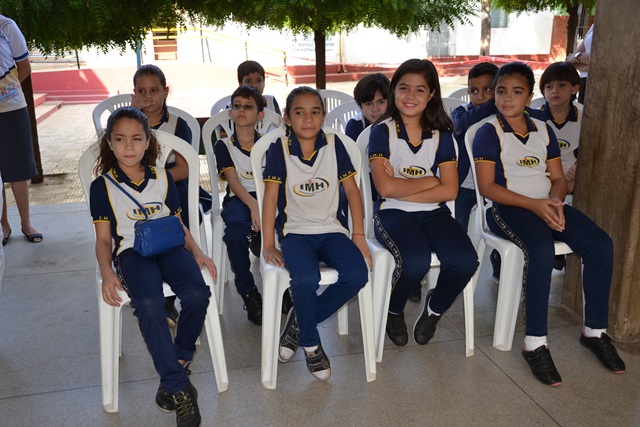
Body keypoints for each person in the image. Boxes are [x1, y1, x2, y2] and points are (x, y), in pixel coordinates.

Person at [472, 62, 625, 386]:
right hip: (506, 208)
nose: (507, 98)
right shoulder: (488, 132)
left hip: (545, 203)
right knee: (541, 250)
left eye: (516, 92)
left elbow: (558, 179)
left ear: (529, 97)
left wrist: (554, 203)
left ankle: (594, 331)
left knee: (601, 245)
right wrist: (535, 206)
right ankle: (535, 342)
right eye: (501, 91)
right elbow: (487, 188)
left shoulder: (543, 128)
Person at [90, 107, 215, 426]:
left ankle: (179, 360)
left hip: (170, 247)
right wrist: (107, 272)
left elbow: (178, 223)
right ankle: (179, 387)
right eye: (120, 139)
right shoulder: (102, 186)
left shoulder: (163, 178)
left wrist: (198, 251)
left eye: (136, 138)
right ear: (110, 143)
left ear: (147, 142)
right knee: (148, 304)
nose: (128, 146)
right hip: (132, 253)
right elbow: (103, 239)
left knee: (198, 293)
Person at [262, 86, 372, 381]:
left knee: (357, 274)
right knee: (305, 279)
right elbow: (270, 198)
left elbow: (353, 191)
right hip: (295, 233)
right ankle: (311, 344)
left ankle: (300, 322)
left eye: (315, 112)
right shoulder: (279, 149)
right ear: (287, 118)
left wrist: (358, 236)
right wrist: (268, 244)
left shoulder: (335, 145)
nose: (308, 119)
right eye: (299, 112)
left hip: (332, 230)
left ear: (323, 116)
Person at [368, 58, 478, 348]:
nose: (410, 96)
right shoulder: (382, 131)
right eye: (404, 88)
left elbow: (450, 191)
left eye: (420, 90)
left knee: (465, 261)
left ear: (431, 95)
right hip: (392, 213)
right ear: (393, 91)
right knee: (415, 262)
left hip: (433, 213)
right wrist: (431, 181)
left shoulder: (441, 135)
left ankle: (434, 309)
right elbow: (384, 188)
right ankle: (394, 309)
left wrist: (400, 187)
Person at [131, 64, 211, 327]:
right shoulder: (128, 122)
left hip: (171, 183)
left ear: (166, 92)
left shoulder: (178, 124)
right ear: (134, 93)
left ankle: (172, 293)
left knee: (181, 212)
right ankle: (140, 279)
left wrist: (156, 182)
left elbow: (186, 168)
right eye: (142, 91)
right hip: (133, 186)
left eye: (154, 90)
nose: (148, 96)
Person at [214, 85, 265, 325]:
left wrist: (264, 206)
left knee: (287, 225)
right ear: (230, 112)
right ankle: (248, 290)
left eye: (248, 106)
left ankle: (286, 287)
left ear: (260, 114)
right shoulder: (223, 145)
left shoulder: (270, 144)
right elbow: (233, 181)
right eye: (237, 106)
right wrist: (254, 206)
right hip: (239, 197)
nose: (241, 110)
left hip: (268, 196)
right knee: (234, 229)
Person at [0, 15, 41, 246]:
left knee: (18, 169)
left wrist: (7, 89)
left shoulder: (7, 26)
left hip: (12, 108)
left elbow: (24, 67)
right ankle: (3, 226)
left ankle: (26, 223)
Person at [539, 62, 582, 194]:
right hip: (543, 176)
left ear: (574, 88)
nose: (554, 91)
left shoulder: (586, 118)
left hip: (574, 178)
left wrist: (579, 170)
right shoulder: (534, 118)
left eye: (561, 85)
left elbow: (595, 153)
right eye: (549, 86)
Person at [345, 73, 390, 142]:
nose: (375, 109)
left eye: (381, 102)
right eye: (368, 104)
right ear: (360, 106)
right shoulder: (355, 125)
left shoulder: (401, 123)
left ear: (391, 102)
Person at [567, 23, 594, 104]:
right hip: (584, 82)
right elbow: (571, 61)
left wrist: (578, 57)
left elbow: (601, 62)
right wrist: (579, 57)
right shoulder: (594, 26)